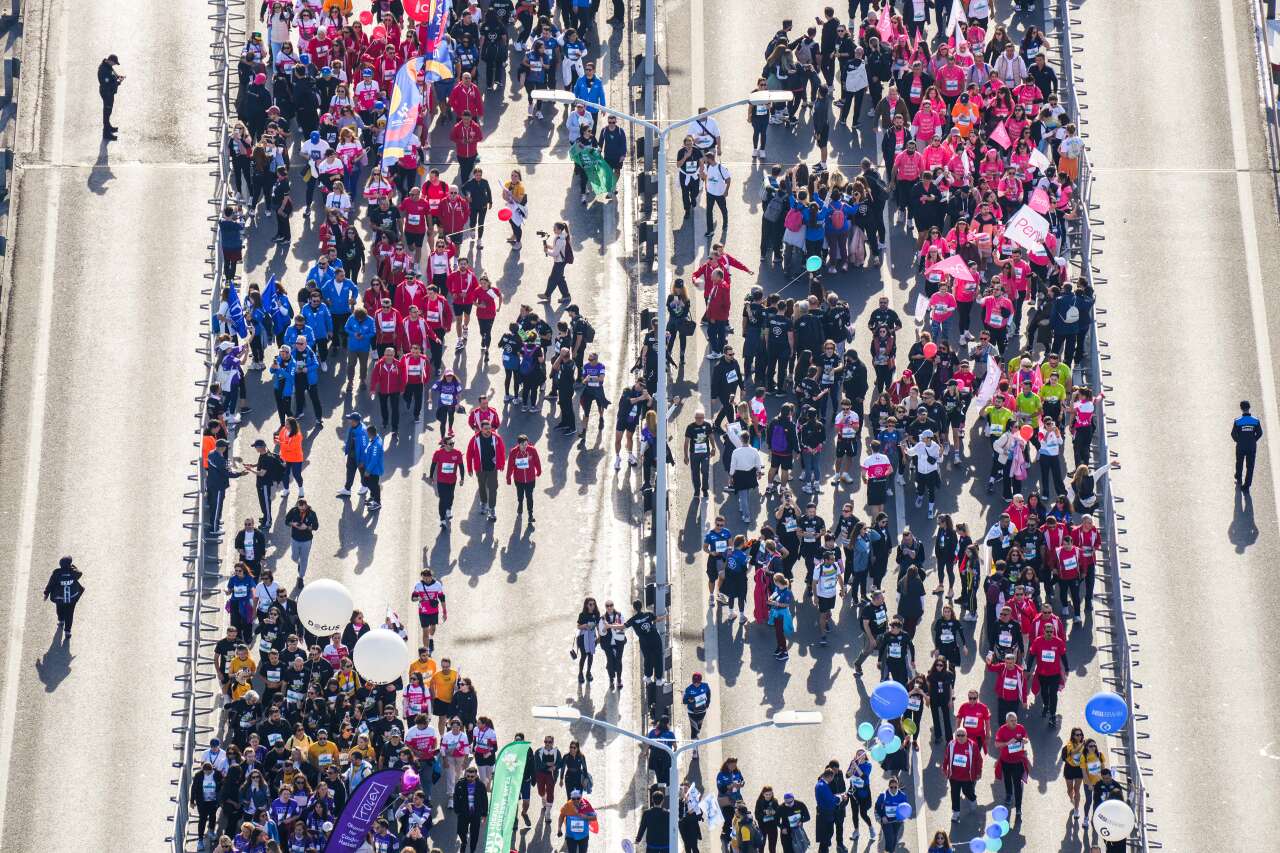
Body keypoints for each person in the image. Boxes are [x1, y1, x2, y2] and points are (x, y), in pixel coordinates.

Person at [43, 556, 85, 638]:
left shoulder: (56, 573)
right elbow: (80, 573)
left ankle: (61, 620)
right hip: (72, 598)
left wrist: (46, 593)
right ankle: (67, 631)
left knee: (59, 608)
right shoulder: (74, 572)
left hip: (60, 598)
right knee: (70, 614)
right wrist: (73, 567)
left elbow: (51, 583)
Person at [453, 764, 488, 853]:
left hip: (475, 814)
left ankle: (472, 850)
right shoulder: (460, 784)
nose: (470, 778)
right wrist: (457, 810)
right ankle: (464, 842)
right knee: (461, 831)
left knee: (474, 835)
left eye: (472, 776)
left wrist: (484, 814)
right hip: (463, 813)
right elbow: (455, 797)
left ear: (476, 775)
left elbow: (484, 799)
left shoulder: (481, 785)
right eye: (468, 776)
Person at [283, 498, 319, 582]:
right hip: (295, 539)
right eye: (300, 507)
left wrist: (306, 527)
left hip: (306, 540)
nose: (302, 509)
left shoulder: (312, 514)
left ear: (306, 505)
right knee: (294, 557)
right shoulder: (293, 511)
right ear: (297, 505)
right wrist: (293, 524)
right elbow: (286, 521)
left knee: (304, 559)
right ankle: (299, 563)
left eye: (303, 507)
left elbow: (316, 526)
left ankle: (301, 577)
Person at [1232, 399, 1263, 491]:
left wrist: (1239, 441)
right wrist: (1253, 440)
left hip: (1241, 446)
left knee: (1239, 462)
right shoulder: (1256, 421)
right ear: (1249, 408)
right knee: (1250, 466)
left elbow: (1233, 434)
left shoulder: (1237, 421)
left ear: (1241, 409)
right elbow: (1260, 433)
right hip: (1251, 447)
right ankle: (1247, 485)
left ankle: (1238, 477)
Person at [872, 776, 908, 851]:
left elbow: (905, 808)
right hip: (886, 821)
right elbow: (877, 807)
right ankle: (890, 851)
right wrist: (883, 816)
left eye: (895, 787)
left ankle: (888, 850)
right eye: (891, 787)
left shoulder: (902, 796)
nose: (893, 789)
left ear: (898, 786)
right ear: (889, 787)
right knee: (890, 837)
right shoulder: (883, 795)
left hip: (897, 821)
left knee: (894, 837)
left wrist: (902, 817)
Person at [682, 672, 712, 750]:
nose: (696, 684)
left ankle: (697, 732)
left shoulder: (705, 686)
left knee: (698, 727)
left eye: (698, 683)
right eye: (694, 682)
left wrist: (708, 702)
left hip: (702, 711)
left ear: (700, 681)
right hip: (692, 712)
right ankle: (694, 749)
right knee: (693, 730)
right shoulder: (688, 689)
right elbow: (684, 701)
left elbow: (708, 693)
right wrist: (690, 700)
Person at [98, 54, 123, 139]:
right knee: (106, 113)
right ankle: (106, 133)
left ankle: (108, 127)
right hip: (107, 93)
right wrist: (117, 82)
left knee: (108, 111)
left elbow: (112, 76)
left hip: (109, 92)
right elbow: (107, 83)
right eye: (114, 63)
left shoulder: (108, 66)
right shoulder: (104, 69)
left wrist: (118, 77)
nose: (114, 65)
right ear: (110, 61)